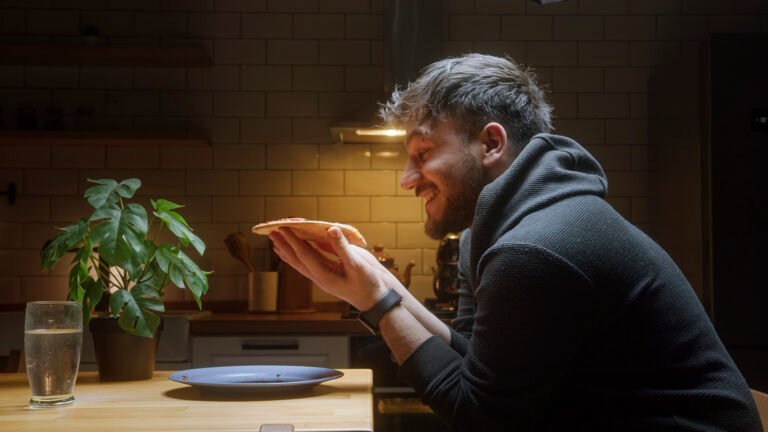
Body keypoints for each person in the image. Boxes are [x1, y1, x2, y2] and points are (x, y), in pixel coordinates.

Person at [268, 53, 762, 431]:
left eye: (422, 152)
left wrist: (375, 302)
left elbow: (480, 417)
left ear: (491, 144)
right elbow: (475, 365)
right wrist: (378, 286)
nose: (406, 178)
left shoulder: (539, 245)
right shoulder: (494, 236)